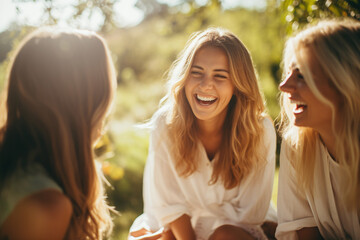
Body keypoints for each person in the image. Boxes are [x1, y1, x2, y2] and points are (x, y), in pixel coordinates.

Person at [128, 28, 277, 240]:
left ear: (237, 84)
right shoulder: (165, 123)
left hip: (235, 228)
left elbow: (249, 214)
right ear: (185, 77)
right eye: (196, 72)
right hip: (178, 225)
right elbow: (169, 205)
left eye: (220, 75)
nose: (206, 84)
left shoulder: (259, 130)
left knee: (224, 236)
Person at [0, 27, 117, 240]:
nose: (106, 114)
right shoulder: (43, 206)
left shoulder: (16, 165)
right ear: (82, 106)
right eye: (102, 97)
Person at [276, 18, 360, 239]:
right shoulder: (297, 146)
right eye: (289, 73)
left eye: (301, 76)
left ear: (346, 83)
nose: (284, 86)